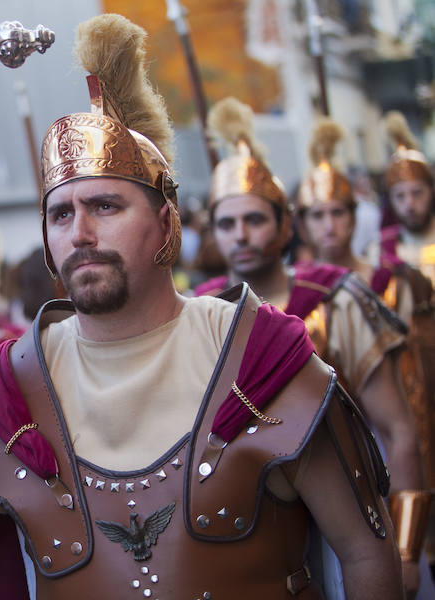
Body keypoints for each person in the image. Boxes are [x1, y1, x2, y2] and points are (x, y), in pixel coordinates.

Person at [0, 15, 402, 598]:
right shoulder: (11, 388)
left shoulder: (259, 356)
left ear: (166, 221)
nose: (80, 231)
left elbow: (366, 551)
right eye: (61, 214)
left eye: (106, 205)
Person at [195, 96, 421, 595]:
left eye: (254, 219)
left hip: (351, 519)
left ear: (284, 223)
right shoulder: (200, 313)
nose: (241, 235)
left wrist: (407, 549)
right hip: (248, 536)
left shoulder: (335, 298)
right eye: (227, 224)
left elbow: (397, 430)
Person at [295, 117, 435, 585]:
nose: (330, 225)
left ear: (355, 216)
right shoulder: (296, 298)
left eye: (338, 211)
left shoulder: (392, 279)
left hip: (408, 423)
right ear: (301, 223)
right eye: (317, 214)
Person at [370, 111, 435, 285]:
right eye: (400, 196)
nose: (409, 204)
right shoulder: (379, 251)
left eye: (417, 192)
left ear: (431, 191)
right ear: (390, 199)